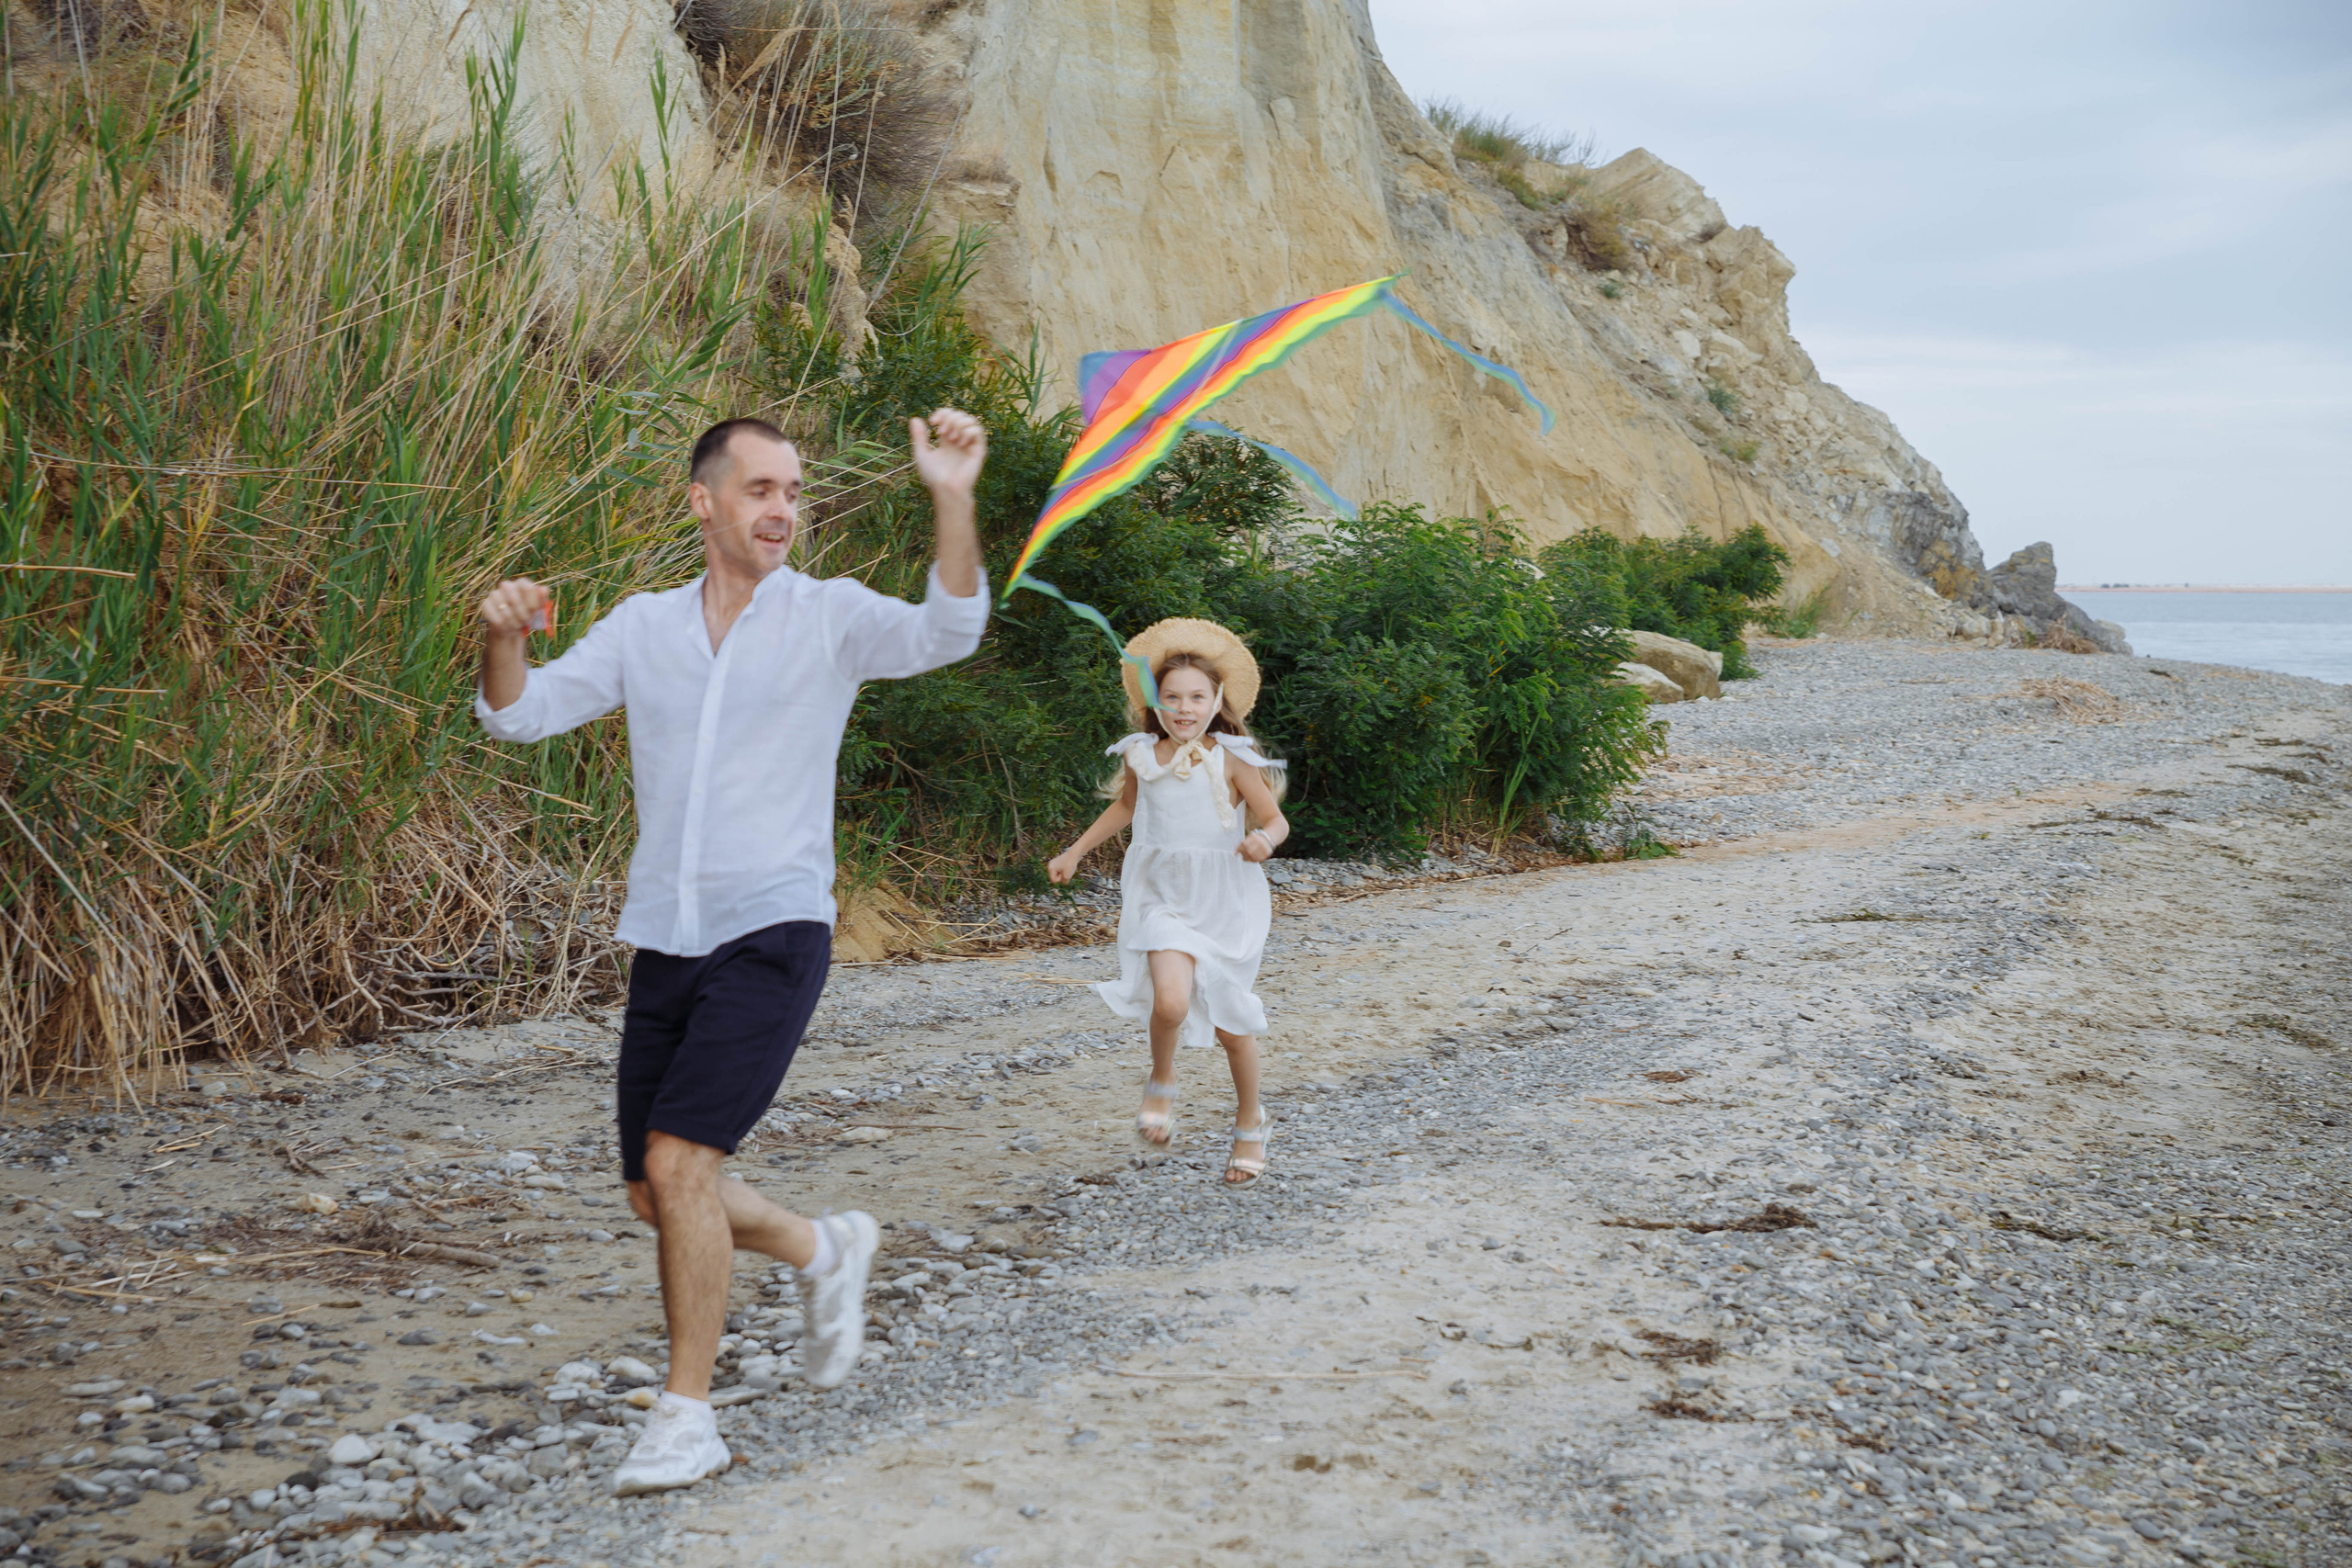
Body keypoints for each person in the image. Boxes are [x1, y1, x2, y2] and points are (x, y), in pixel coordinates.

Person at [473, 410, 989, 1495]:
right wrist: (504, 637)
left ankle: (685, 1413)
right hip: (666, 932)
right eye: (760, 490)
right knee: (656, 1196)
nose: (783, 511)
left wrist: (950, 494)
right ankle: (822, 1249)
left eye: (792, 493)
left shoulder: (831, 618)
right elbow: (520, 718)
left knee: (681, 1166)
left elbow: (949, 630)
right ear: (702, 501)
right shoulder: (644, 626)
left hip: (775, 925)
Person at [1046, 619, 1289, 1186]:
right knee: (1172, 1003)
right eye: (1172, 697)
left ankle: (1250, 1119)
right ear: (1156, 703)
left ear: (1217, 701)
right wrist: (1076, 851)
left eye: (1197, 697)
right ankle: (1162, 1080)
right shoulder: (1141, 755)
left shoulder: (1232, 757)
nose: (1185, 708)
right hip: (1161, 895)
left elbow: (1275, 819)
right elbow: (1124, 810)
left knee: (1232, 1024)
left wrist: (1263, 840)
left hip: (1225, 898)